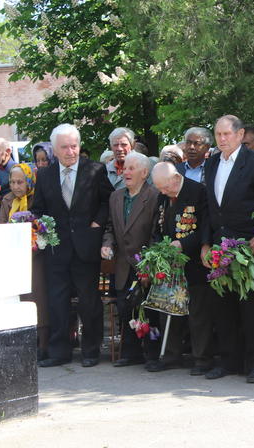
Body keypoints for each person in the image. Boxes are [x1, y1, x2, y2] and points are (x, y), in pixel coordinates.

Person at [200, 115, 254, 384]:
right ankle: (229, 360)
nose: (222, 139)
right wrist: (206, 242)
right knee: (222, 305)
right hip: (220, 244)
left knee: (251, 306)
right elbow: (208, 206)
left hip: (248, 245)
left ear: (240, 134)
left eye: (227, 134)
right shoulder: (210, 164)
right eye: (218, 134)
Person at [31, 124, 114, 368]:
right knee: (57, 301)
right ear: (55, 149)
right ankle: (59, 351)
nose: (71, 151)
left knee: (89, 301)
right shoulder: (45, 175)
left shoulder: (95, 170)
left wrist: (97, 223)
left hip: (85, 246)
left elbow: (107, 200)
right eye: (65, 147)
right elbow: (38, 208)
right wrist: (40, 226)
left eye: (74, 146)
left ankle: (91, 350)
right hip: (56, 249)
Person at [151, 162, 213, 374]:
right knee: (169, 309)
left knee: (198, 313)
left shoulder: (198, 191)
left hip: (194, 261)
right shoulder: (163, 195)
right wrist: (159, 247)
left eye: (165, 187)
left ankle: (201, 359)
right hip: (171, 263)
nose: (162, 192)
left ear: (176, 178)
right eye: (159, 188)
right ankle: (170, 355)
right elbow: (157, 226)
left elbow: (206, 226)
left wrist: (184, 244)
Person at [101, 152, 160, 368]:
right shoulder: (116, 197)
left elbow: (157, 232)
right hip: (123, 265)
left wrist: (149, 262)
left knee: (150, 313)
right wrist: (107, 243)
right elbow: (109, 227)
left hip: (145, 264)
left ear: (144, 173)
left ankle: (152, 353)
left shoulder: (154, 196)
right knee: (126, 310)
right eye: (124, 168)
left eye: (131, 168)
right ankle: (131, 352)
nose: (126, 172)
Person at [0, 163, 48, 360]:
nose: (16, 186)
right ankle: (22, 344)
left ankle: (43, 344)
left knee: (38, 299)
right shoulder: (7, 200)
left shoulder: (37, 198)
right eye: (12, 182)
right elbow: (2, 225)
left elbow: (43, 225)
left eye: (20, 182)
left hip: (36, 259)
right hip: (15, 257)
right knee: (19, 299)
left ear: (29, 181)